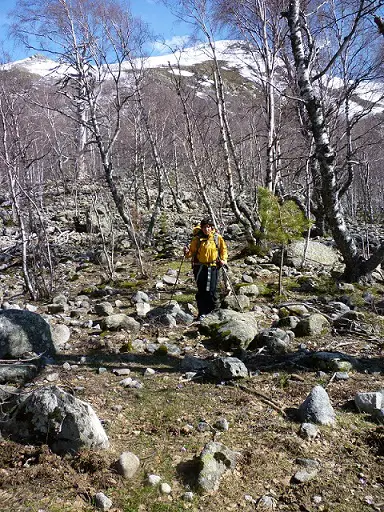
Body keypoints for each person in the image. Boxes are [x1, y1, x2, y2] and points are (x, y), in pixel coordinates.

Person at [184, 217, 228, 319]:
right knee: (202, 290)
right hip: (200, 268)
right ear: (202, 228)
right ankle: (202, 312)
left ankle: (212, 312)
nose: (206, 229)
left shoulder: (217, 238)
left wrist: (223, 260)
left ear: (212, 228)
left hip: (214, 267)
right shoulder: (197, 239)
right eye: (204, 227)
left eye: (208, 227)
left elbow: (223, 250)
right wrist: (186, 252)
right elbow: (191, 253)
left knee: (212, 290)